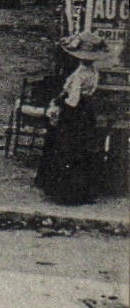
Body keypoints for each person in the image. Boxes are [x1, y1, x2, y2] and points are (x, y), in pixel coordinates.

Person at [36, 33, 110, 205]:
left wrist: (61, 103)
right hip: (87, 113)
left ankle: (64, 192)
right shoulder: (93, 72)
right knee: (82, 150)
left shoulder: (79, 75)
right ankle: (83, 191)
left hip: (74, 114)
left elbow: (73, 100)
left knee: (66, 148)